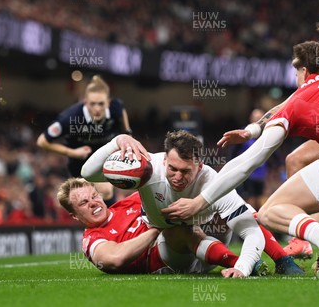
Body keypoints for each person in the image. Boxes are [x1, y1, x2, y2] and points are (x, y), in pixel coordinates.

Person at [163, 41, 319, 279]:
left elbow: (250, 160)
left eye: (296, 72)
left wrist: (199, 202)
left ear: (305, 71)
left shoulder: (302, 94)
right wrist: (253, 129)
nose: (295, 80)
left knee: (270, 212)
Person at [81, 131, 304, 276]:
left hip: (215, 237)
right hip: (175, 249)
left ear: (200, 166)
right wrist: (117, 141)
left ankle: (283, 261)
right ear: (164, 160)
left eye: (186, 171)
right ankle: (248, 262)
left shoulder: (212, 182)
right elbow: (87, 173)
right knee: (179, 228)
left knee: (247, 214)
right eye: (172, 169)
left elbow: (250, 231)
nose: (177, 176)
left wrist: (241, 269)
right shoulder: (147, 168)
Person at [58, 177, 252, 275]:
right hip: (171, 261)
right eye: (84, 203)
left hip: (203, 247)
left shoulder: (130, 201)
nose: (93, 203)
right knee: (175, 229)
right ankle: (242, 265)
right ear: (74, 216)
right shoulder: (92, 238)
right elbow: (115, 259)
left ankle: (276, 250)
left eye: (94, 196)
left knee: (218, 198)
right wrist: (157, 226)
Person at [37, 75, 131, 199]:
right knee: (98, 195)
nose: (97, 109)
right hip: (80, 163)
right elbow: (41, 141)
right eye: (93, 104)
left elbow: (125, 124)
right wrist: (72, 152)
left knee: (109, 192)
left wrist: (127, 138)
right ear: (85, 101)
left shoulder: (116, 107)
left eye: (101, 104)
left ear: (108, 102)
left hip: (107, 158)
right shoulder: (70, 118)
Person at [232, 109, 268, 210]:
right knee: (250, 199)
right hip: (248, 173)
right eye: (255, 118)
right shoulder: (243, 133)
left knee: (259, 199)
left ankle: (259, 222)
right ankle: (250, 220)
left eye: (260, 118)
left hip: (261, 174)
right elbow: (233, 151)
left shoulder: (267, 133)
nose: (257, 120)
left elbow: (274, 154)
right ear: (250, 118)